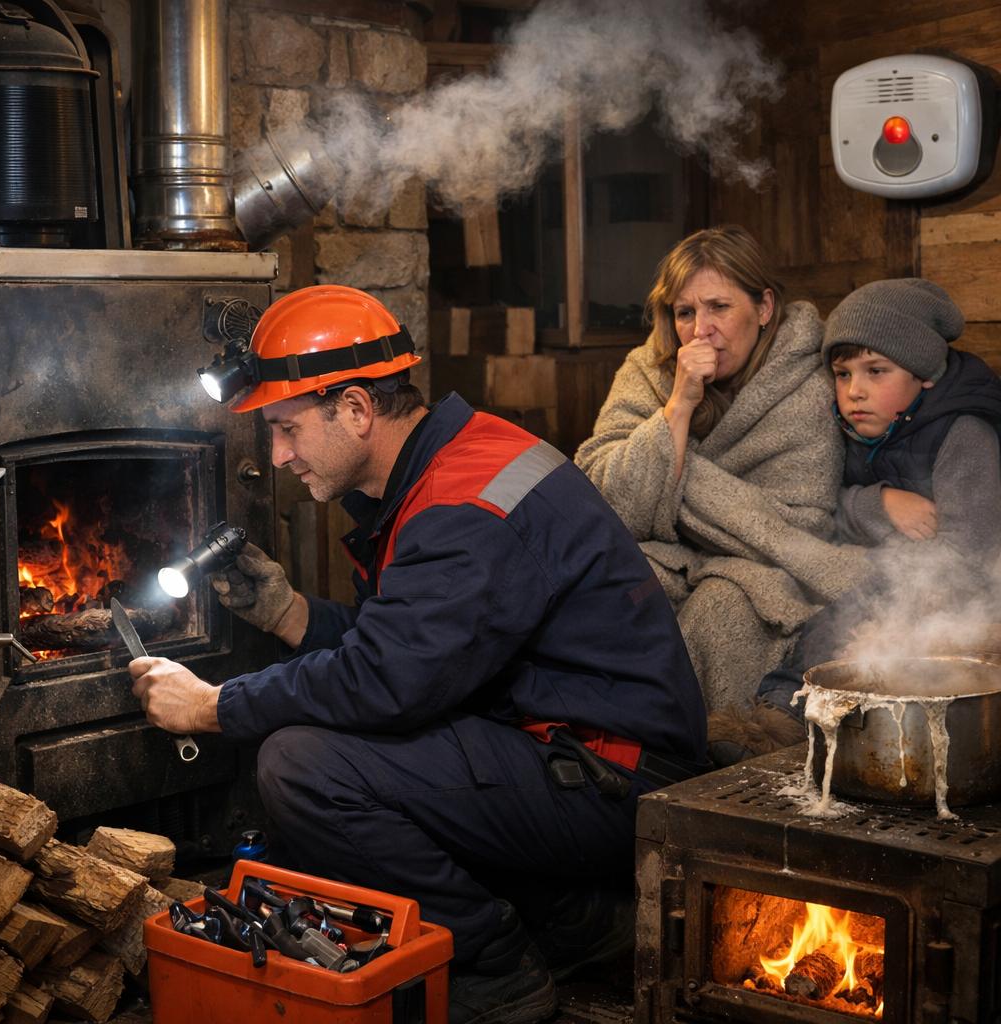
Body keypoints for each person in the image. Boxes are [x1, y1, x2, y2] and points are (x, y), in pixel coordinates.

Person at [126, 284, 709, 1024]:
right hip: (573, 752)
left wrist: (214, 706)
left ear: (358, 410)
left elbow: (389, 682)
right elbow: (416, 652)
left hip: (620, 784)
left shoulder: (462, 504)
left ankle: (492, 965)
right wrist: (290, 614)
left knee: (302, 766)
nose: (277, 456)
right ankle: (576, 919)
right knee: (338, 740)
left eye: (286, 429)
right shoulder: (448, 464)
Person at [710, 277, 1001, 764]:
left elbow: (971, 553)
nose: (855, 391)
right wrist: (877, 504)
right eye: (843, 375)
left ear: (925, 373)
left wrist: (887, 574)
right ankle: (778, 716)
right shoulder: (856, 428)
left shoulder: (965, 432)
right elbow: (821, 507)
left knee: (850, 608)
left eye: (876, 371)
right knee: (829, 612)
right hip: (887, 571)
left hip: (968, 592)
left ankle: (792, 719)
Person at [575, 225, 862, 712]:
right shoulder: (646, 371)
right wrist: (677, 410)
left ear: (764, 308)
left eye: (719, 307)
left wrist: (671, 482)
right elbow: (600, 502)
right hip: (671, 560)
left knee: (721, 609)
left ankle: (692, 755)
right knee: (600, 586)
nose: (699, 329)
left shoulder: (806, 384)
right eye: (684, 312)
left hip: (770, 575)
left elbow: (799, 528)